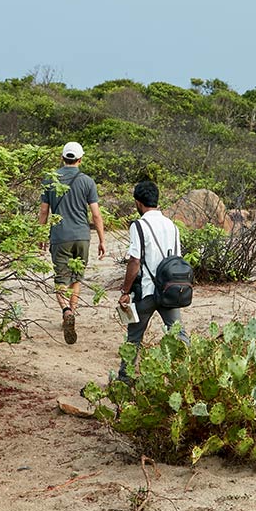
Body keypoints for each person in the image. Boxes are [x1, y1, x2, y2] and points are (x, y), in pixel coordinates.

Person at [116, 180, 189, 381]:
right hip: (170, 290)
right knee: (178, 335)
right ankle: (187, 375)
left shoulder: (139, 226)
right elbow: (176, 259)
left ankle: (125, 380)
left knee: (134, 339)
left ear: (138, 203)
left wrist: (125, 291)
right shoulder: (172, 225)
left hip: (147, 291)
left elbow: (134, 261)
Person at [39, 141, 106, 345]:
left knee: (61, 279)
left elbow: (44, 211)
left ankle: (66, 311)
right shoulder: (88, 181)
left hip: (60, 236)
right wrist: (102, 240)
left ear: (62, 158)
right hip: (82, 236)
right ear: (80, 159)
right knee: (76, 278)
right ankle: (73, 312)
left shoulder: (50, 180)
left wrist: (41, 236)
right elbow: (96, 214)